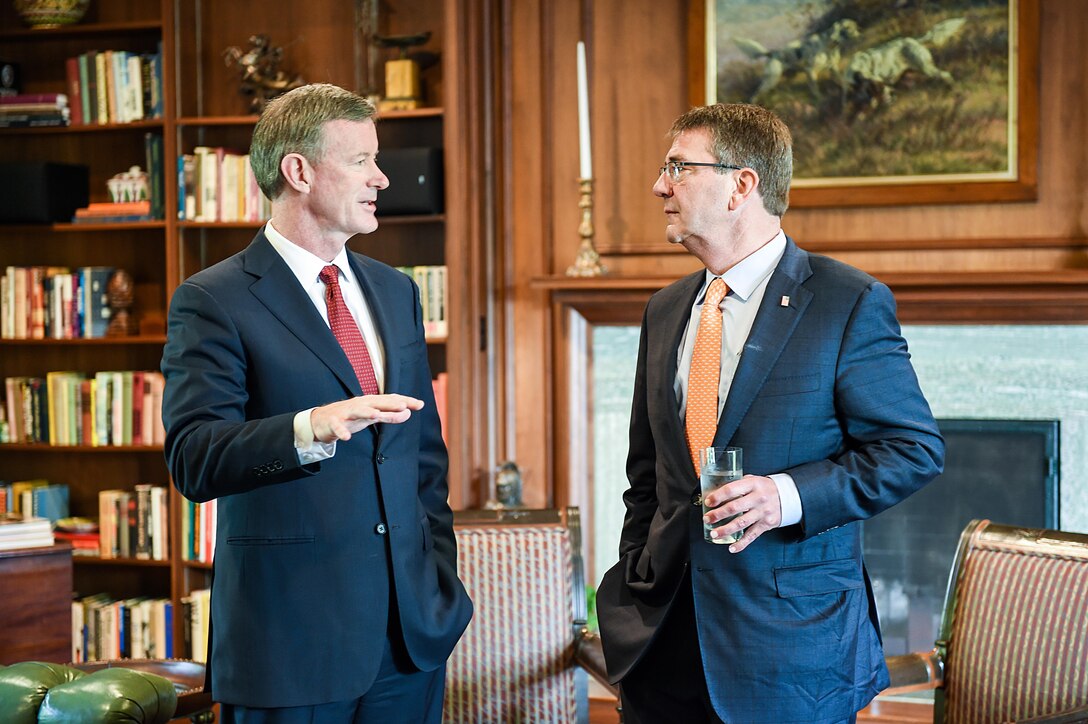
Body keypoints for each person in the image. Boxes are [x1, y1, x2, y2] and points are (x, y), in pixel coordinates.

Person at [594, 103, 945, 723]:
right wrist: (635, 577)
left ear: (742, 185)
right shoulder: (666, 309)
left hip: (790, 653)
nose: (658, 185)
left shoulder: (848, 301)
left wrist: (786, 496)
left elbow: (912, 449)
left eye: (677, 166)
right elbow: (646, 477)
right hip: (660, 647)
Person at [161, 83, 472, 724]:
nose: (382, 178)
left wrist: (438, 577)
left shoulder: (396, 292)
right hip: (290, 646)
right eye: (361, 161)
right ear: (298, 171)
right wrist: (312, 427)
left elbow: (424, 462)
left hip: (408, 642)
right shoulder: (214, 298)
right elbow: (194, 458)